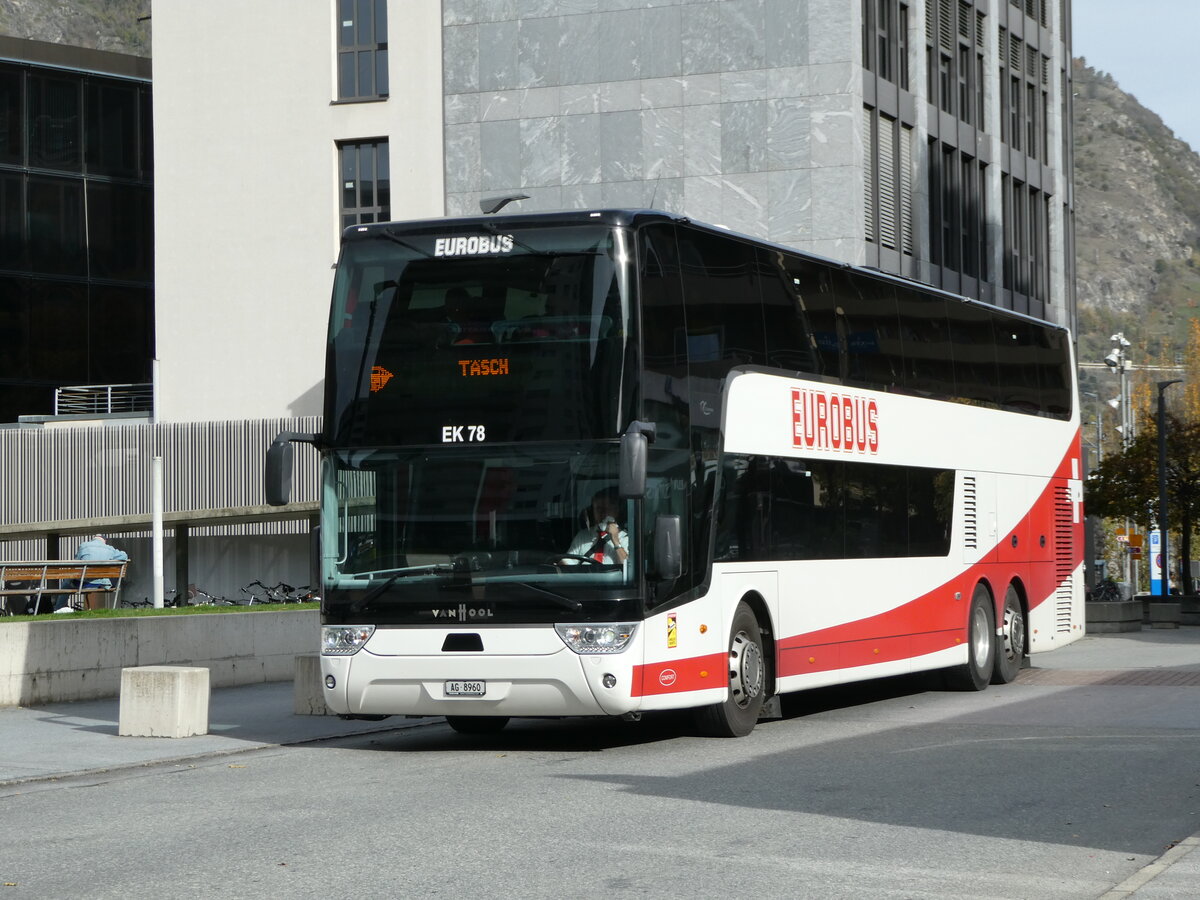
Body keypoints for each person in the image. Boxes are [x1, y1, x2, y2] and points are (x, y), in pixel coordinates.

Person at [56, 535, 129, 613]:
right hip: (102, 584)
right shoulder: (110, 549)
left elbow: (76, 563)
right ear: (104, 541)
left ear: (93, 540)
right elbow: (124, 555)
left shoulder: (84, 546)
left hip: (83, 583)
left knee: (67, 582)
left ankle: (58, 608)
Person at [563, 488, 630, 566]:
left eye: (606, 509)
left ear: (616, 511)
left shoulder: (625, 538)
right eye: (598, 509)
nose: (602, 513)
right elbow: (569, 561)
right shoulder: (583, 536)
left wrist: (616, 541)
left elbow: (628, 568)